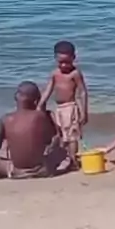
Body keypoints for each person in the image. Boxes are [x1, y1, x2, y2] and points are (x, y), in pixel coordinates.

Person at [0, 81, 69, 179]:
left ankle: (11, 173)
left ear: (16, 97)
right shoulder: (43, 117)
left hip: (16, 171)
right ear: (36, 101)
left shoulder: (5, 119)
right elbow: (50, 140)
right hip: (42, 169)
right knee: (62, 152)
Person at [39, 41, 88, 169]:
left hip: (71, 107)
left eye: (67, 62)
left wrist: (84, 112)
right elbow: (48, 89)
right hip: (59, 109)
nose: (64, 65)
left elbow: (82, 92)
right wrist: (41, 104)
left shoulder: (75, 73)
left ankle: (73, 161)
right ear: (55, 58)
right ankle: (67, 158)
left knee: (72, 137)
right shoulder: (55, 73)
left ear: (73, 58)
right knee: (61, 136)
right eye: (61, 62)